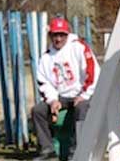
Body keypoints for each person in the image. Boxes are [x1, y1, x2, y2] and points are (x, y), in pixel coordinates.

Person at [31, 17, 100, 160]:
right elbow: (44, 82)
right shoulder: (46, 57)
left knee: (82, 110)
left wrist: (84, 95)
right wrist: (52, 100)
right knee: (38, 111)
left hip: (82, 93)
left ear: (67, 35)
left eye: (61, 35)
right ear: (50, 36)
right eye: (55, 35)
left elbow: (92, 72)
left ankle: (76, 151)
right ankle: (47, 148)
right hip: (61, 96)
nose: (58, 39)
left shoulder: (79, 47)